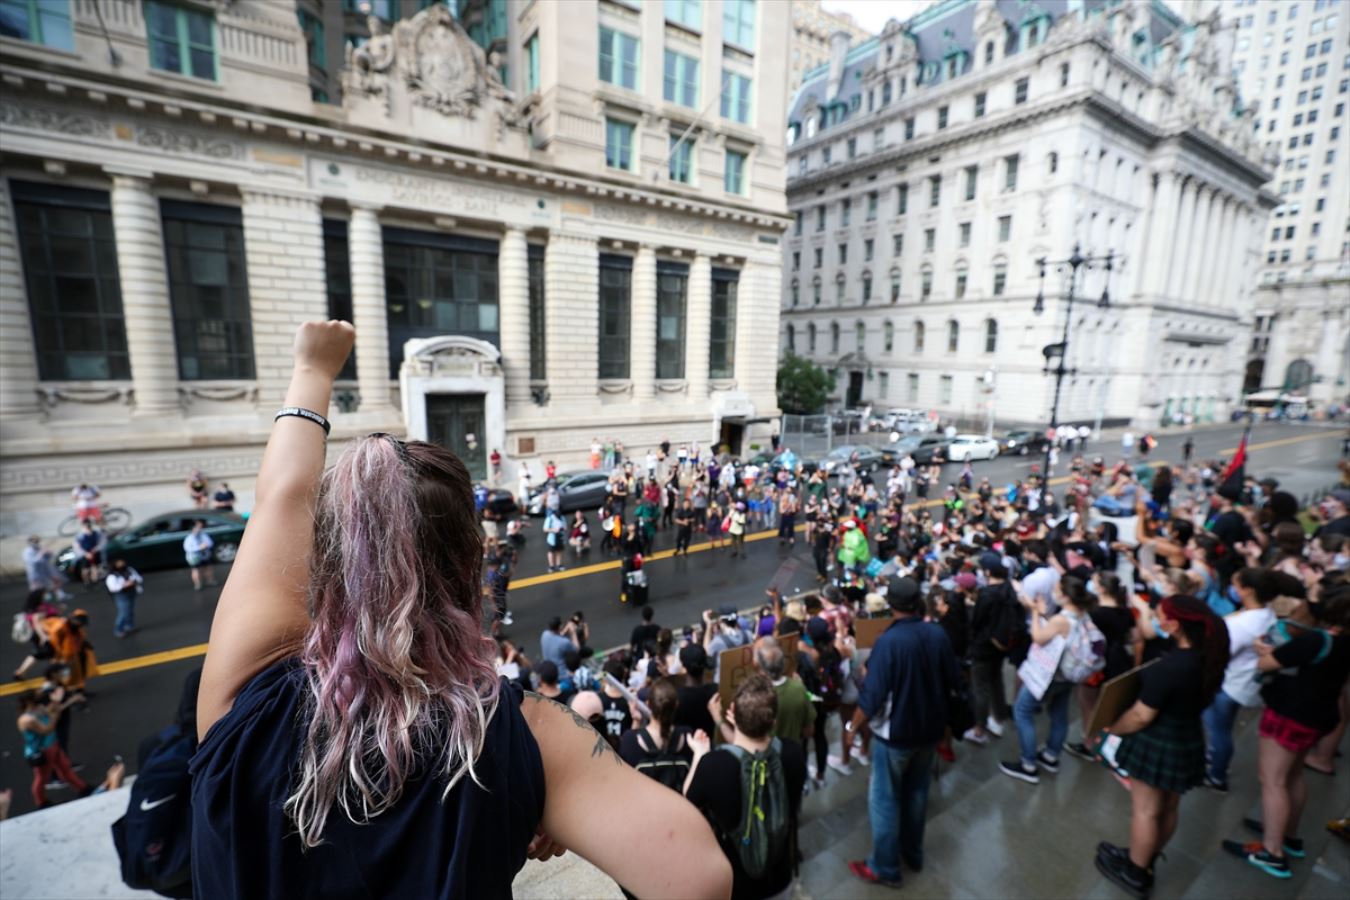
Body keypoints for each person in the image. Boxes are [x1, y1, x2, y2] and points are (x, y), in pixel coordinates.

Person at [191, 321, 730, 898]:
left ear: (324, 558)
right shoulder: (526, 737)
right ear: (471, 565)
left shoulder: (244, 691)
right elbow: (700, 878)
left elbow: (281, 496)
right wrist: (544, 793)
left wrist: (312, 371)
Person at [1094, 596, 1230, 898]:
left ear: (1175, 624)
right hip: (1187, 734)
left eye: (1159, 615)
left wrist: (1112, 729)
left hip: (1160, 738)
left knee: (1145, 810)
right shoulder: (1208, 654)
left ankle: (1135, 871)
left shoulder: (1171, 667)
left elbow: (1141, 716)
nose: (1155, 619)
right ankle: (1146, 856)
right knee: (1168, 805)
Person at [1221, 578, 1350, 879]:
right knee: (1293, 775)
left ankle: (1272, 851)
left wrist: (1260, 648)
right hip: (1318, 714)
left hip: (1290, 714)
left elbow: (1266, 664)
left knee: (1273, 781)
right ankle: (1287, 835)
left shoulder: (1316, 640)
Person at [847, 576, 961, 888]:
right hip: (931, 729)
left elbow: (872, 697)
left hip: (896, 735)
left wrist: (852, 726)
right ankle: (913, 852)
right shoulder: (937, 633)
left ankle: (884, 867)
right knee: (917, 792)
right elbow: (953, 676)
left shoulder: (889, 642)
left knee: (884, 799)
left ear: (891, 606)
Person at [685, 673, 806, 900]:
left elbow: (687, 802)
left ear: (734, 715)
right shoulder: (793, 754)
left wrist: (700, 755)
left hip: (736, 884)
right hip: (781, 879)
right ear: (774, 721)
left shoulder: (713, 766)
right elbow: (754, 755)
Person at [1000, 577, 1099, 785]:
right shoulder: (1081, 613)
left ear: (1064, 595)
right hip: (1068, 675)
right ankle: (1051, 756)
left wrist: (1034, 610)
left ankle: (1028, 764)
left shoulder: (1061, 620)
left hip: (1050, 675)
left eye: (1056, 589)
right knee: (1058, 713)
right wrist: (1044, 613)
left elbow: (1038, 637)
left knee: (1022, 711)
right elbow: (1059, 634)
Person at [1201, 567, 1276, 793]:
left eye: (1236, 585)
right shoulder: (1266, 614)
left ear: (1248, 591)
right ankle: (1214, 758)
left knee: (1219, 730)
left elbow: (1222, 653)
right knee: (1224, 727)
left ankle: (1217, 775)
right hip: (1245, 682)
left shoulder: (1240, 624)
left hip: (1229, 683)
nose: (1232, 589)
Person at [17, 688, 90, 808]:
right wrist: (54, 716)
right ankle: (41, 801)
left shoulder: (38, 709)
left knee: (65, 768)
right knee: (41, 778)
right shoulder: (27, 720)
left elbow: (55, 710)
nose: (40, 697)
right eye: (37, 695)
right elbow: (47, 729)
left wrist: (57, 702)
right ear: (30, 701)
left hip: (53, 746)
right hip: (41, 752)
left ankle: (83, 788)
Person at [619, 677, 692, 790]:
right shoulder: (688, 736)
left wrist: (636, 721)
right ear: (676, 705)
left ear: (648, 704)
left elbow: (625, 772)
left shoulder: (630, 739)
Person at [755, 637, 815, 758]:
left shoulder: (756, 696)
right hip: (793, 754)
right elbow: (809, 731)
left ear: (760, 667)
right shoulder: (799, 688)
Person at [12, 589, 60, 681]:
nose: (47, 595)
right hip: (45, 634)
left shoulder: (33, 607)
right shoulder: (40, 608)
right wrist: (43, 637)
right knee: (54, 653)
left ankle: (20, 672)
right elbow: (36, 620)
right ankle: (53, 674)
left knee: (37, 654)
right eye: (44, 594)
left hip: (38, 634)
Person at [104, 558, 143, 639]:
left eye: (122, 562)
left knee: (130, 610)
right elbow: (113, 588)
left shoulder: (129, 570)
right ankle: (118, 630)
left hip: (131, 592)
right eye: (119, 563)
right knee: (123, 612)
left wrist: (133, 582)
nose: (121, 564)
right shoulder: (112, 575)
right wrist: (125, 585)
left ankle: (129, 626)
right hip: (121, 595)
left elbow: (138, 578)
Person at [183, 520, 216, 591]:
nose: (199, 529)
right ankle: (197, 584)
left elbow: (210, 543)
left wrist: (206, 545)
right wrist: (199, 547)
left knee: (208, 568)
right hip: (194, 557)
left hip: (205, 555)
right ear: (193, 528)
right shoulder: (189, 538)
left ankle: (210, 581)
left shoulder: (204, 535)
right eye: (198, 527)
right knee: (196, 570)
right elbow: (187, 548)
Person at [73, 520, 106, 587]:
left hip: (95, 553)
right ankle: (86, 582)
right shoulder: (79, 536)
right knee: (85, 570)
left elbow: (102, 542)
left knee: (95, 568)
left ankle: (95, 581)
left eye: (88, 526)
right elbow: (77, 547)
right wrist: (86, 554)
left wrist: (95, 550)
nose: (87, 527)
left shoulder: (96, 533)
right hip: (85, 555)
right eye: (86, 526)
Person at [543, 507, 566, 573]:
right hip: (552, 539)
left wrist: (562, 529)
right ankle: (551, 566)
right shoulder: (550, 518)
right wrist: (553, 530)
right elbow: (545, 529)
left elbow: (565, 527)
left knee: (559, 551)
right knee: (551, 552)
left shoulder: (562, 517)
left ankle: (559, 564)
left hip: (560, 537)